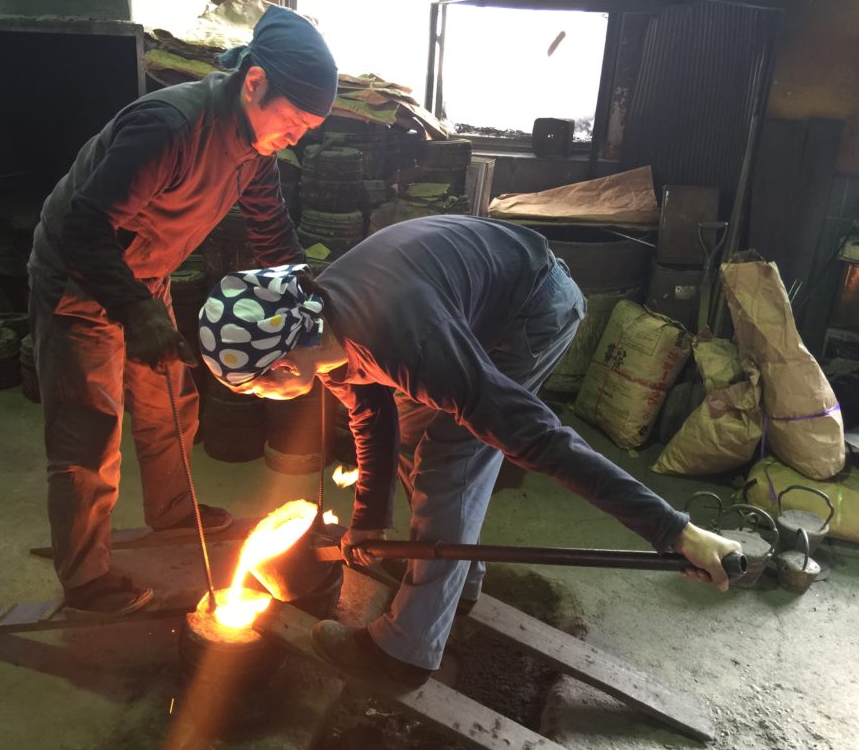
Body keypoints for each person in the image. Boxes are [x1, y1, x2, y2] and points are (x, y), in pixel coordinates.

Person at [196, 214, 743, 686]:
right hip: (468, 300)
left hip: (532, 306)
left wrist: (672, 530)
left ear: (286, 365)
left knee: (451, 458)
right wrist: (368, 519)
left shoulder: (400, 337)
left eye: (255, 387)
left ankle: (405, 652)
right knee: (413, 439)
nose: (260, 398)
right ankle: (458, 582)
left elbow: (536, 436)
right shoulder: (318, 322)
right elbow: (372, 413)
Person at [27, 6, 337, 615]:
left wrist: (312, 292)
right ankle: (86, 580)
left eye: (307, 129)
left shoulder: (254, 146)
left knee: (169, 397)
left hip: (147, 271)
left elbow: (271, 227)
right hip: (80, 276)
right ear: (254, 84)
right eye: (294, 121)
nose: (296, 136)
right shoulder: (169, 127)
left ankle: (170, 513)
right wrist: (136, 312)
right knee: (90, 429)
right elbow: (84, 228)